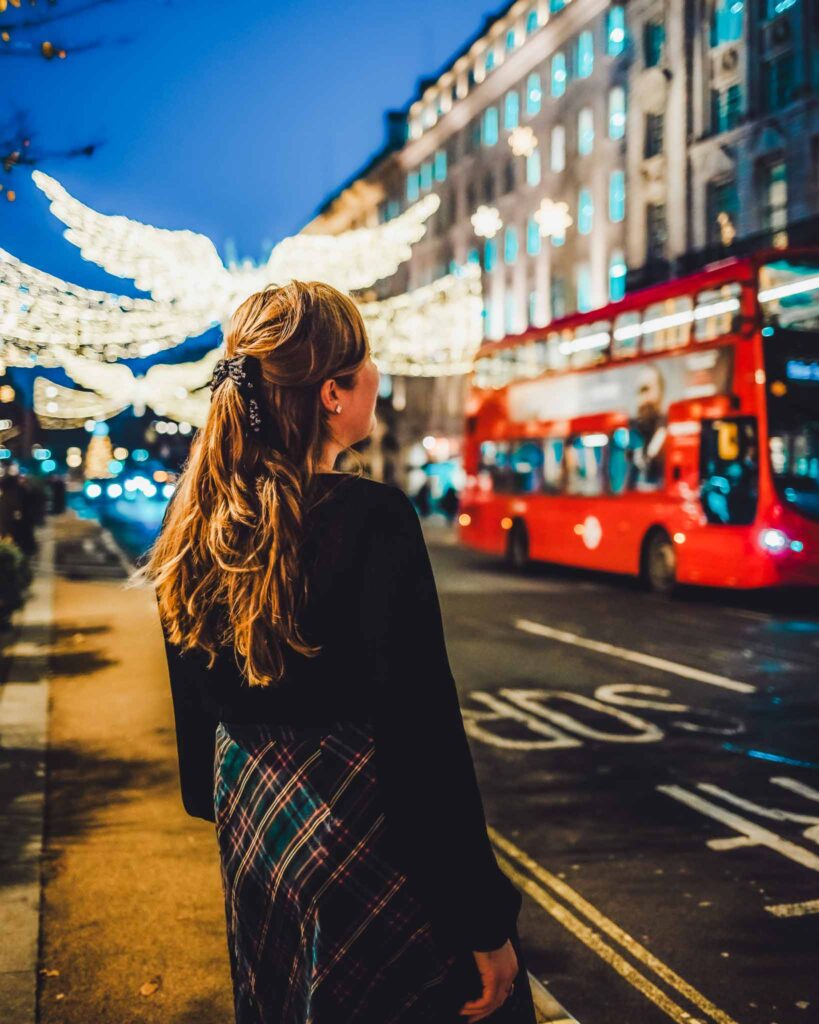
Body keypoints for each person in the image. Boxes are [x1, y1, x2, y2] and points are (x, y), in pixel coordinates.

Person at [130, 281, 534, 1024]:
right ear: (331, 393)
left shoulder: (192, 520)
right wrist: (481, 921)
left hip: (258, 834)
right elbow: (422, 739)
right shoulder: (373, 519)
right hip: (364, 843)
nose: (377, 374)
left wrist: (241, 805)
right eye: (367, 360)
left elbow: (196, 731)